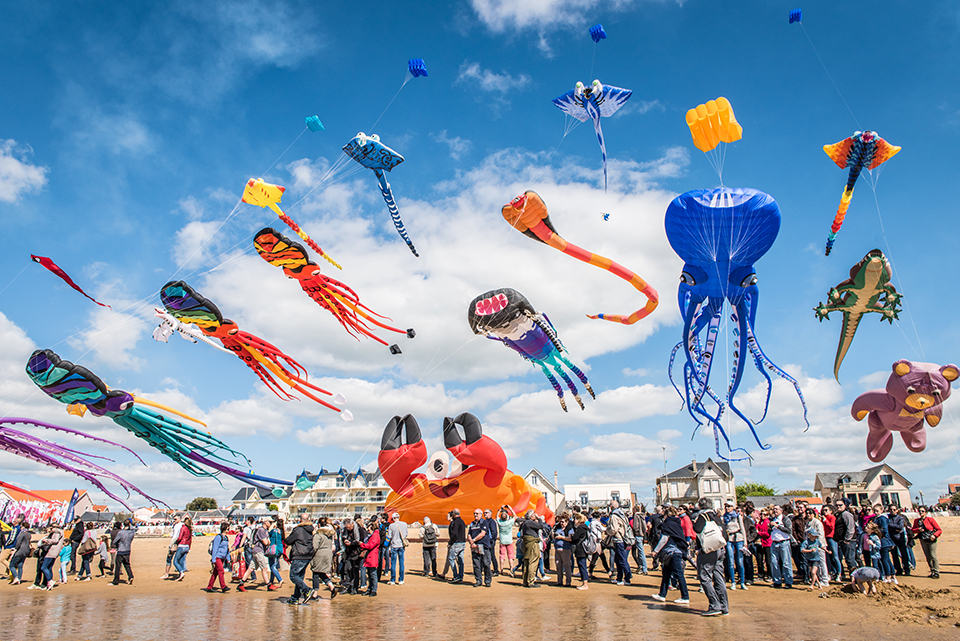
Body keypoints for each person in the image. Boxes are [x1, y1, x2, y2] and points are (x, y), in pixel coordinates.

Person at [691, 498, 728, 617]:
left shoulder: (703, 516)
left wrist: (695, 522)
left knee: (704, 576)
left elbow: (697, 529)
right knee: (718, 577)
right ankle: (724, 605)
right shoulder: (717, 516)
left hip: (708, 550)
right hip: (719, 548)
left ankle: (714, 604)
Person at [650, 506, 689, 605]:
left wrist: (656, 551)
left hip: (672, 552)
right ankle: (662, 594)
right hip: (675, 552)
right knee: (666, 574)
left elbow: (664, 539)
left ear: (666, 515)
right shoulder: (677, 523)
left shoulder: (668, 524)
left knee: (679, 574)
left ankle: (685, 596)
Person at [284, 513, 315, 604]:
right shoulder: (310, 530)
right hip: (308, 555)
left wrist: (284, 536)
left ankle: (307, 590)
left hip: (299, 555)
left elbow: (288, 541)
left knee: (293, 576)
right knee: (299, 578)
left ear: (300, 520)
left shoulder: (298, 530)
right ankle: (295, 598)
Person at [606, 500, 633, 586]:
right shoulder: (622, 514)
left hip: (619, 539)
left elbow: (614, 529)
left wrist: (607, 531)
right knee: (618, 560)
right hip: (623, 538)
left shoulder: (614, 516)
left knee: (622, 559)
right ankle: (619, 578)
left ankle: (627, 578)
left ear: (611, 507)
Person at [310, 516, 337, 599]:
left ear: (318, 524)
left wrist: (310, 555)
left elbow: (314, 546)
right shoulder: (329, 534)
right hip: (328, 554)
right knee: (321, 573)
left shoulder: (318, 534)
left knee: (315, 573)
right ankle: (332, 587)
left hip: (319, 554)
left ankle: (315, 593)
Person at [722, 501, 746, 590]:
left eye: (729, 506)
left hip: (739, 538)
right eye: (726, 506)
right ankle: (733, 582)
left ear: (733, 507)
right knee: (730, 561)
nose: (727, 508)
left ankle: (742, 581)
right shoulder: (724, 517)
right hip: (729, 539)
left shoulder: (737, 516)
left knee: (740, 561)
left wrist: (745, 542)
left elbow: (742, 528)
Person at [912, 506, 942, 579]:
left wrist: (934, 535)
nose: (921, 512)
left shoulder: (930, 519)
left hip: (931, 540)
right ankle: (932, 571)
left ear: (926, 512)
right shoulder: (917, 521)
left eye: (922, 511)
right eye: (920, 511)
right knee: (928, 556)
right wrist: (918, 530)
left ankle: (936, 571)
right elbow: (913, 530)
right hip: (923, 539)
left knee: (933, 555)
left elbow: (939, 530)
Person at [518, 510, 546, 588]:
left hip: (527, 543)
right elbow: (541, 526)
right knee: (533, 561)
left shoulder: (524, 523)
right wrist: (539, 519)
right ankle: (531, 581)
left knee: (527, 561)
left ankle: (526, 581)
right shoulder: (529, 522)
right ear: (531, 516)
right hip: (532, 543)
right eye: (533, 515)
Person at [768, 504, 793, 589]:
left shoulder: (785, 519)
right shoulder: (773, 519)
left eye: (777, 509)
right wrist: (770, 526)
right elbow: (769, 532)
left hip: (784, 542)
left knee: (786, 563)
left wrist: (778, 526)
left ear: (781, 511)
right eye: (774, 509)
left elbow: (789, 530)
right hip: (774, 543)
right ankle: (777, 581)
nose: (775, 511)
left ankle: (788, 581)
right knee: (774, 562)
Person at [833, 499, 858, 580]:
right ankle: (853, 578)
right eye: (836, 505)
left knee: (850, 560)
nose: (838, 507)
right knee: (848, 560)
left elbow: (850, 527)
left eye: (840, 505)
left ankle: (856, 579)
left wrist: (847, 539)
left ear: (845, 505)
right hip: (842, 541)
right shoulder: (838, 514)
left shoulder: (846, 514)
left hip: (849, 541)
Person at [205, 522, 232, 593]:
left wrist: (228, 558)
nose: (229, 529)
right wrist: (213, 559)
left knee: (215, 573)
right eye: (227, 528)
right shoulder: (218, 537)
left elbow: (227, 549)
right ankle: (223, 586)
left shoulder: (226, 538)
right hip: (217, 557)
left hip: (223, 557)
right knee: (221, 571)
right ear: (224, 528)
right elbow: (215, 548)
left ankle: (209, 587)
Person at [468, 508, 492, 587]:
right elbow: (469, 534)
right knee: (476, 563)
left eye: (477, 513)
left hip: (483, 546)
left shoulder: (484, 522)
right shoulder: (472, 524)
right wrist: (471, 541)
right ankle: (478, 580)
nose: (475, 515)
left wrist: (474, 540)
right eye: (474, 513)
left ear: (481, 515)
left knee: (486, 563)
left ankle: (487, 580)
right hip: (475, 546)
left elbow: (483, 533)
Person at [244, 518, 271, 587]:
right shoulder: (261, 530)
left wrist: (267, 542)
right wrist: (267, 542)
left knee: (251, 568)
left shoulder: (265, 531)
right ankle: (268, 584)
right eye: (270, 522)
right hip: (258, 550)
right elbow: (266, 542)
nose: (271, 523)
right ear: (265, 522)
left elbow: (268, 542)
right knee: (264, 568)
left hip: (257, 550)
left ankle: (241, 583)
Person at [359, 516, 381, 596]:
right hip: (369, 556)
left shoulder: (375, 535)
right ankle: (370, 589)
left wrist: (362, 545)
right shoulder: (373, 535)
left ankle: (373, 590)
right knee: (370, 574)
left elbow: (371, 545)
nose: (368, 531)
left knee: (373, 574)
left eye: (369, 530)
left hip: (372, 557)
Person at [110, 520, 136, 586]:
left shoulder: (121, 533)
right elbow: (134, 529)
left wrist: (117, 545)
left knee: (118, 566)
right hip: (128, 550)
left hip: (121, 551)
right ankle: (131, 576)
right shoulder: (131, 532)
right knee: (127, 564)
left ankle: (116, 581)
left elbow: (115, 541)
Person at [887, 505, 909, 576]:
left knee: (904, 554)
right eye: (891, 509)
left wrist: (890, 525)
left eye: (894, 509)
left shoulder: (900, 518)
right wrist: (894, 528)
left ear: (897, 510)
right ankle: (898, 569)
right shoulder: (888, 517)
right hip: (892, 539)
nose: (892, 511)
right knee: (894, 555)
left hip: (900, 538)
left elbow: (900, 527)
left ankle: (907, 569)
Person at [553, 512, 574, 587]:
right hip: (557, 549)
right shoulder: (558, 528)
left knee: (566, 565)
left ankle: (568, 581)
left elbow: (570, 538)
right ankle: (559, 581)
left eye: (563, 522)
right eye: (560, 522)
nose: (561, 523)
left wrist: (561, 537)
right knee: (558, 565)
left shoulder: (569, 529)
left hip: (565, 549)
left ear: (567, 522)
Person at [570, 512, 591, 590]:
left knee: (582, 566)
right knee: (582, 565)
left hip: (580, 549)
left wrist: (571, 536)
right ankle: (584, 582)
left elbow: (574, 538)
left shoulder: (580, 528)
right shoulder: (585, 527)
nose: (574, 520)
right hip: (583, 549)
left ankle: (585, 584)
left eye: (575, 519)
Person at [386, 512, 408, 585]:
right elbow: (406, 534)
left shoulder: (391, 526)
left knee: (393, 563)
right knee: (401, 563)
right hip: (401, 545)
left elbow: (389, 536)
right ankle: (401, 579)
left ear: (393, 518)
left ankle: (393, 579)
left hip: (394, 545)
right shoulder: (404, 524)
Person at [160, 515, 184, 579]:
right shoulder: (183, 525)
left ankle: (166, 574)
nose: (174, 520)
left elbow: (175, 536)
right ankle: (181, 572)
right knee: (179, 559)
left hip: (175, 542)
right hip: (182, 543)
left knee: (169, 558)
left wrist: (171, 545)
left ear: (179, 519)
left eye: (175, 519)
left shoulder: (177, 526)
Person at [495, 506, 517, 577]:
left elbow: (496, 516)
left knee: (502, 556)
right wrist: (510, 508)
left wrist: (500, 510)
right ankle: (511, 568)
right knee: (510, 556)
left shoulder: (500, 523)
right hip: (509, 541)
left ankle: (501, 569)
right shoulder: (509, 522)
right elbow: (515, 516)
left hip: (502, 541)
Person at [447, 508, 466, 584]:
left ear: (454, 514)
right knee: (461, 560)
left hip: (456, 543)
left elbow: (454, 533)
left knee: (451, 558)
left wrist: (450, 542)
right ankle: (460, 576)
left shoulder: (456, 522)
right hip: (462, 542)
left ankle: (456, 575)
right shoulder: (462, 521)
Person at [172, 516, 193, 581]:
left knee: (175, 561)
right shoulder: (190, 529)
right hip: (187, 546)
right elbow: (190, 539)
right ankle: (181, 572)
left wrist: (176, 542)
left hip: (182, 546)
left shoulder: (183, 528)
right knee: (182, 560)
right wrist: (189, 548)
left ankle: (181, 572)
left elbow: (180, 537)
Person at [267, 518, 285, 591]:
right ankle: (271, 581)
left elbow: (267, 534)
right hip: (279, 550)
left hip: (273, 550)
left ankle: (280, 579)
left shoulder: (274, 531)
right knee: (274, 566)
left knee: (272, 566)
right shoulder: (282, 531)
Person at [631, 506, 648, 575]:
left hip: (638, 535)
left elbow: (635, 526)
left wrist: (635, 531)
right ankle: (642, 567)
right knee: (640, 552)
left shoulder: (636, 515)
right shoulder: (642, 515)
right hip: (642, 535)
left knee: (640, 552)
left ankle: (644, 568)